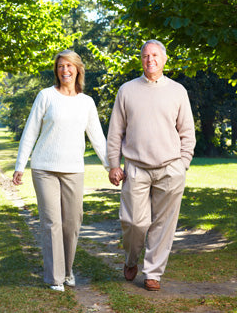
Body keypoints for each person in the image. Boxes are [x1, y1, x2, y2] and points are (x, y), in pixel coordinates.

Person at [12, 50, 112, 292]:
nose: (65, 70)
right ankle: (54, 277)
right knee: (51, 222)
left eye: (69, 66)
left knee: (72, 222)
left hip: (73, 170)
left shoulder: (86, 102)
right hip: (44, 168)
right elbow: (31, 131)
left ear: (78, 70)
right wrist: (20, 165)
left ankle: (67, 272)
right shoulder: (45, 96)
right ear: (56, 71)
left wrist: (111, 166)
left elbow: (97, 138)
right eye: (60, 66)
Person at [107, 39, 196, 291]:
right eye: (146, 56)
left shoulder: (178, 91)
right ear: (141, 60)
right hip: (135, 166)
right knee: (134, 222)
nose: (150, 60)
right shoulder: (127, 90)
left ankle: (153, 273)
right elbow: (115, 132)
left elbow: (187, 132)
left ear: (164, 59)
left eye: (155, 55)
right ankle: (131, 259)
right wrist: (114, 164)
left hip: (170, 168)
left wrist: (183, 163)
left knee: (164, 224)